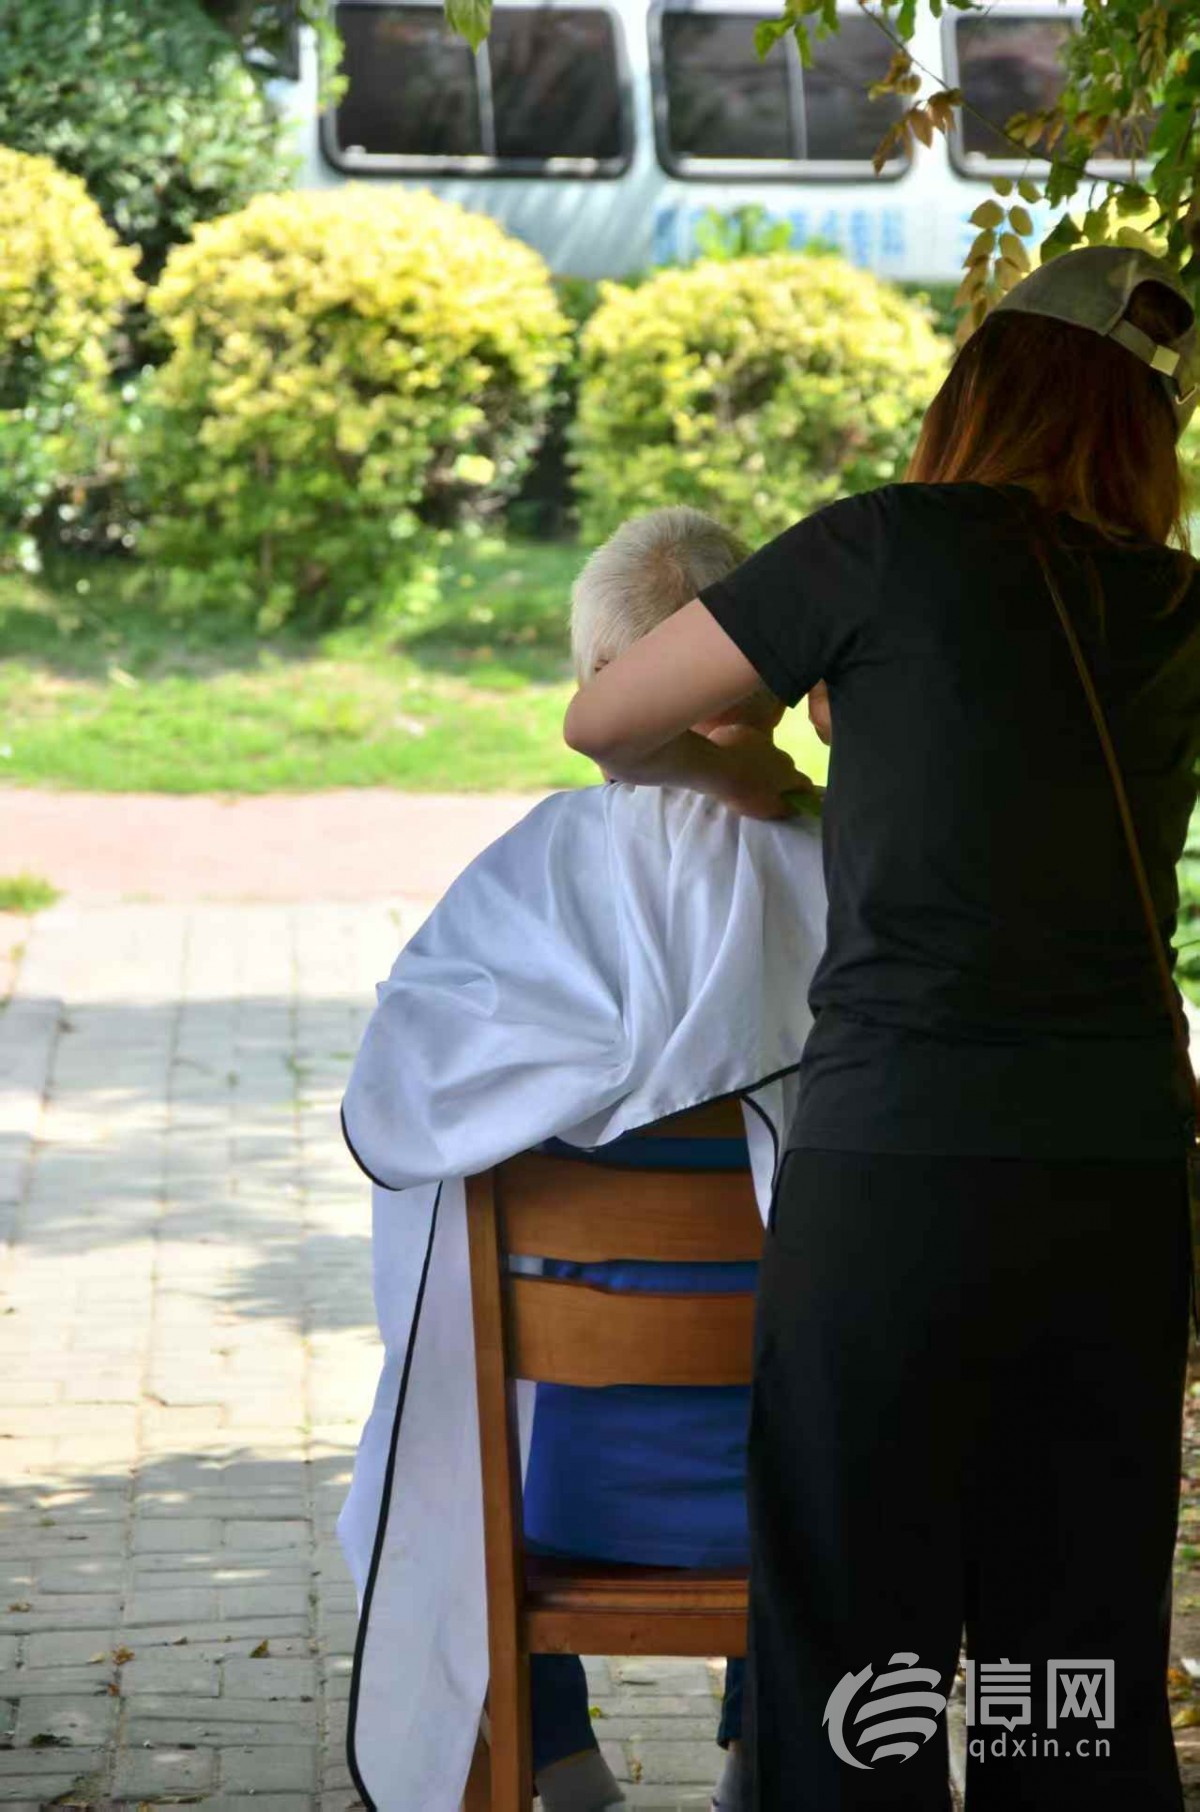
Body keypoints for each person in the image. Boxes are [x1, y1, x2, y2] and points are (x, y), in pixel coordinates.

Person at [562, 246, 1200, 1812]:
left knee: (860, 1646)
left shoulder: (879, 548)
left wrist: (764, 758)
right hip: (1119, 1182)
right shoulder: (1180, 606)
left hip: (899, 1172)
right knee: (1077, 1651)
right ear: (1149, 437)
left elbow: (607, 716)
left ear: (979, 394)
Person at [337, 507, 829, 1812]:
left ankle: (556, 1765)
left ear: (599, 683)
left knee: (441, 1358)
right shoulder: (874, 877)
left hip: (556, 1478)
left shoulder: (530, 882)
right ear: (773, 675)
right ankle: (766, 1751)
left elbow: (399, 1115)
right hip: (819, 1478)